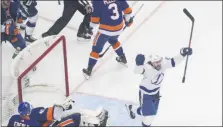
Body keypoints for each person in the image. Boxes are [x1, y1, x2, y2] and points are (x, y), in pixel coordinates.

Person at [126, 47, 193, 126]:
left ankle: (132, 108)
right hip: (146, 94)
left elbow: (174, 61)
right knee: (148, 118)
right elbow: (137, 71)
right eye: (155, 62)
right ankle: (137, 112)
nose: (158, 64)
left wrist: (183, 53)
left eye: (159, 62)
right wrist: (138, 64)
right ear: (151, 63)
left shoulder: (163, 64)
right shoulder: (147, 68)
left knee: (152, 113)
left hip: (156, 93)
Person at [82, 0, 133, 79]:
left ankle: (89, 70)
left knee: (96, 49)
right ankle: (122, 57)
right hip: (118, 28)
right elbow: (128, 11)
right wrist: (128, 21)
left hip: (105, 31)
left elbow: (95, 22)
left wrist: (89, 27)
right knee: (114, 41)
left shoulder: (97, 1)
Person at [8, 99, 109, 127]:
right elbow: (54, 113)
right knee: (74, 118)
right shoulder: (34, 114)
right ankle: (97, 124)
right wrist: (63, 107)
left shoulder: (14, 119)